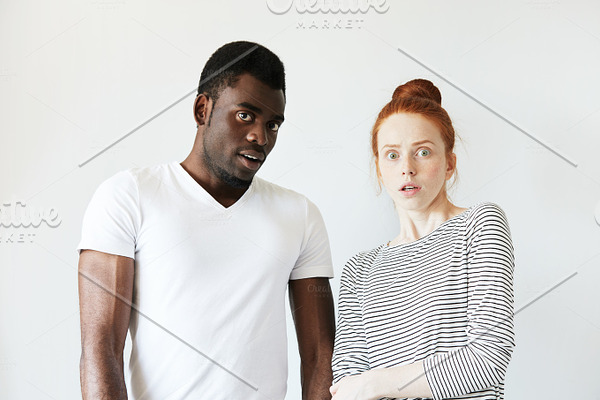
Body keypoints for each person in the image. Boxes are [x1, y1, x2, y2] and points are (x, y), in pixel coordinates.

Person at [78, 41, 335, 400]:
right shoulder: (128, 196)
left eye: (272, 124)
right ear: (203, 109)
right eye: (245, 115)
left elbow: (321, 356)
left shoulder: (300, 215)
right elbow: (101, 347)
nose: (260, 137)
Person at [330, 79, 514, 400]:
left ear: (449, 164)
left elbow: (488, 357)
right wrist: (362, 386)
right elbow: (347, 387)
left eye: (423, 152)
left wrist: (374, 384)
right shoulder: (359, 270)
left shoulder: (478, 225)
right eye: (392, 155)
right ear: (379, 168)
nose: (407, 169)